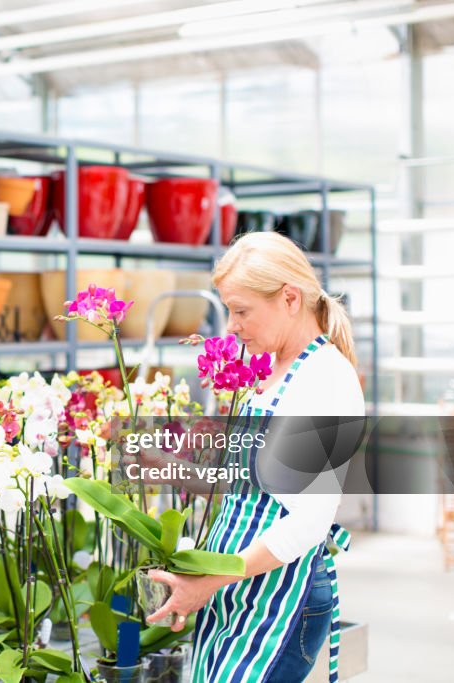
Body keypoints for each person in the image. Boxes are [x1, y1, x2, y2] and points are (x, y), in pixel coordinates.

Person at [148, 231, 365, 683]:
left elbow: (308, 521)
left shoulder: (324, 379)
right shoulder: (271, 372)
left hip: (281, 596)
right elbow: (249, 487)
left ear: (290, 298)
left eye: (241, 310)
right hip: (239, 588)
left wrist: (208, 583)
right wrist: (164, 466)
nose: (230, 325)